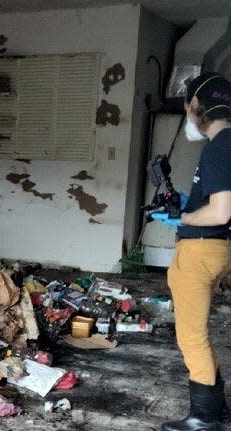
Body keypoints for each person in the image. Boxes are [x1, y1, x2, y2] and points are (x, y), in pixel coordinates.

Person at [153, 73, 231, 431]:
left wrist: (182, 216)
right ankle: (218, 408)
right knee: (198, 333)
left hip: (200, 250)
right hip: (219, 249)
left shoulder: (218, 146)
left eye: (188, 109)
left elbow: (220, 211)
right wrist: (187, 204)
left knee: (191, 336)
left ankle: (204, 419)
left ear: (197, 108)